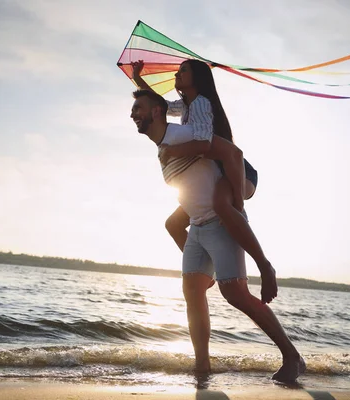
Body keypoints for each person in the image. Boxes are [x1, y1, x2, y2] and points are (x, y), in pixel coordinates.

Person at [129, 89, 305, 382]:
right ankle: (202, 366)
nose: (133, 113)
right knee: (192, 291)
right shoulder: (164, 145)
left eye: (138, 107)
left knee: (234, 293)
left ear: (157, 112)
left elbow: (234, 154)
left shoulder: (185, 136)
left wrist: (236, 202)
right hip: (197, 228)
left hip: (220, 223)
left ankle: (292, 357)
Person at [132, 59, 277, 303]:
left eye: (183, 71)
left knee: (221, 206)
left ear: (197, 77)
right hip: (217, 171)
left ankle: (264, 267)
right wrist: (138, 78)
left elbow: (205, 145)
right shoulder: (186, 106)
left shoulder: (201, 102)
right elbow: (159, 104)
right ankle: (205, 273)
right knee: (173, 224)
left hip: (236, 171)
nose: (177, 74)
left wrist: (238, 208)